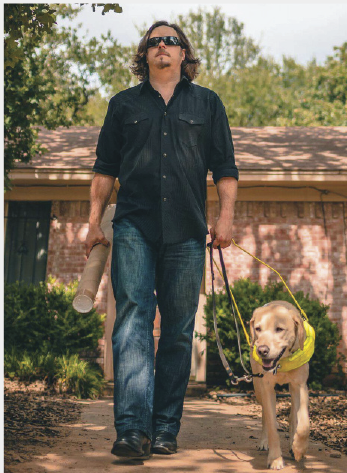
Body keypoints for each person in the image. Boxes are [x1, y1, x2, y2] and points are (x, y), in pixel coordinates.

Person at [85, 20, 239, 461]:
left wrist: (225, 217)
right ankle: (133, 430)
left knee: (177, 330)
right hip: (133, 225)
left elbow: (225, 169)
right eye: (154, 42)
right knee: (133, 319)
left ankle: (166, 427)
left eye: (171, 41)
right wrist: (94, 222)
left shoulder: (208, 104)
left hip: (188, 231)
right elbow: (104, 170)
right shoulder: (122, 105)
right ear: (145, 55)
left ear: (184, 53)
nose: (162, 47)